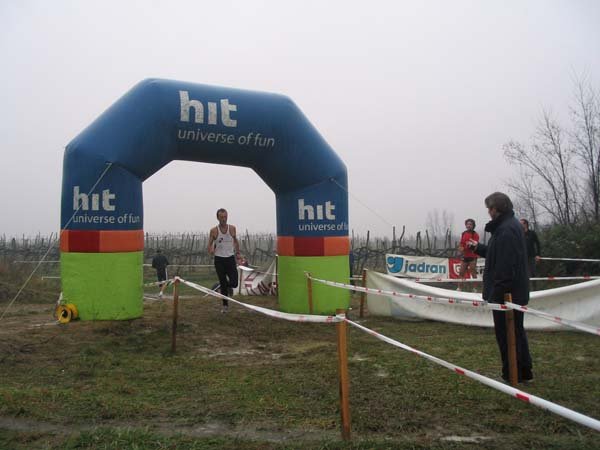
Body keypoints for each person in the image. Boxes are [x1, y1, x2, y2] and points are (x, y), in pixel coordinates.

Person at [467, 192, 533, 383]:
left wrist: (495, 297)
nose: (488, 212)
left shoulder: (506, 230)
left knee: (507, 336)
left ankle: (512, 374)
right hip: (511, 291)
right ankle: (522, 372)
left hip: (507, 294)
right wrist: (479, 248)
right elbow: (498, 254)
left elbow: (505, 268)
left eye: (489, 208)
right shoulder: (508, 227)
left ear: (495, 209)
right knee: (516, 333)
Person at [208, 208, 240, 312]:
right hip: (219, 260)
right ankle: (225, 306)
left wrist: (238, 253)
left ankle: (222, 285)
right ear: (217, 218)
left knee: (234, 283)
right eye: (221, 217)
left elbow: (235, 241)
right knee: (224, 283)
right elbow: (209, 245)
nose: (224, 219)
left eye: (225, 217)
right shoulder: (214, 230)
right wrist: (211, 250)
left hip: (230, 259)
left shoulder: (232, 228)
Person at [457, 219, 479, 291]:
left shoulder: (475, 234)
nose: (469, 225)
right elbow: (461, 243)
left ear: (473, 226)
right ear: (466, 225)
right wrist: (460, 249)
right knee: (461, 272)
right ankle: (459, 288)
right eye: (467, 224)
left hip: (472, 256)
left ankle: (475, 288)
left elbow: (474, 245)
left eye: (470, 224)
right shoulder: (463, 233)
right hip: (465, 256)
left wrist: (466, 247)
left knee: (473, 272)